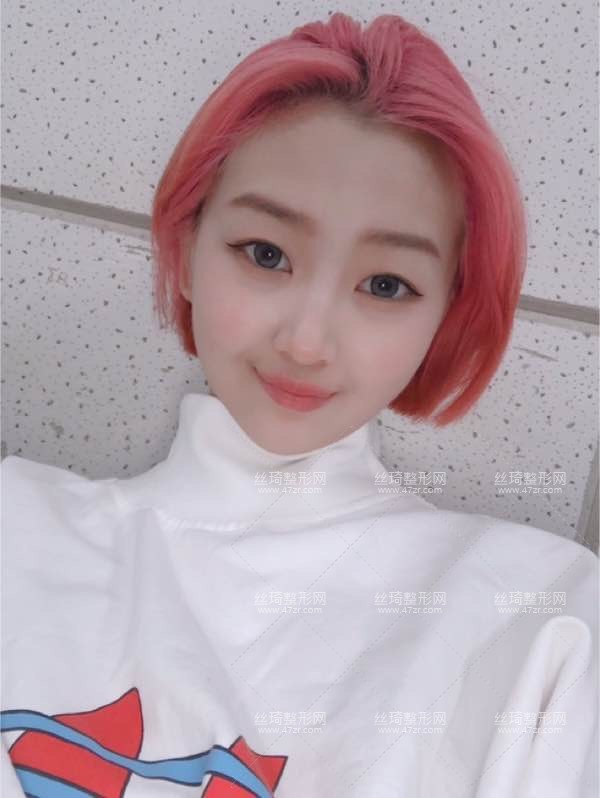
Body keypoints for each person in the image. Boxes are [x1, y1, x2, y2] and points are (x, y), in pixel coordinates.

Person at [1, 11, 597, 798]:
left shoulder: (537, 617)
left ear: (445, 315)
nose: (308, 342)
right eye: (267, 253)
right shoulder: (17, 528)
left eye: (386, 285)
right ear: (186, 245)